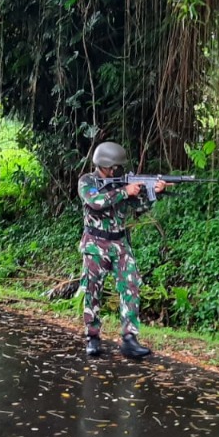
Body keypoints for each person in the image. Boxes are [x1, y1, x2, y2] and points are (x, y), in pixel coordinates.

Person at [75, 141, 163, 360]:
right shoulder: (87, 181)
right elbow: (96, 202)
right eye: (112, 167)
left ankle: (129, 339)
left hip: (120, 244)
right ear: (103, 164)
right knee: (92, 290)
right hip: (95, 243)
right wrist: (124, 191)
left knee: (131, 285)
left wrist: (153, 191)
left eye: (117, 167)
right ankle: (93, 337)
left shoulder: (122, 183)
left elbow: (139, 208)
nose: (115, 170)